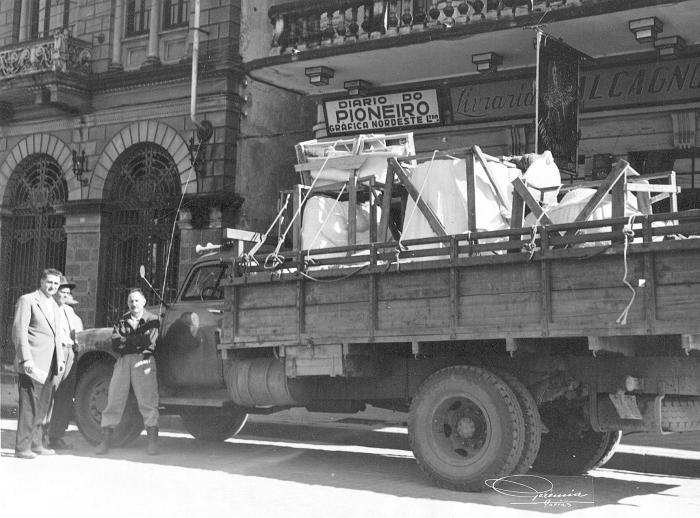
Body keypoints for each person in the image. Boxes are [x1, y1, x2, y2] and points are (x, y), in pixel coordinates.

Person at [97, 288, 160, 455]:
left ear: (144, 302)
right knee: (114, 398)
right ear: (128, 303)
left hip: (144, 359)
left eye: (137, 300)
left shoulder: (153, 320)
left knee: (147, 400)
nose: (134, 304)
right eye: (131, 301)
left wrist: (127, 340)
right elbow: (116, 344)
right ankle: (105, 441)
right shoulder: (122, 320)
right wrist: (136, 340)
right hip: (123, 361)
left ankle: (152, 442)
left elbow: (150, 342)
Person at [12, 268, 66, 459]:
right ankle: (22, 447)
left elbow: (57, 336)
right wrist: (25, 358)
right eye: (49, 282)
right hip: (32, 362)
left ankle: (36, 443)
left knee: (43, 405)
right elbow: (19, 331)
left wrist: (60, 360)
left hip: (50, 363)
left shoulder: (56, 306)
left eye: (56, 284)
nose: (52, 286)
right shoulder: (28, 300)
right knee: (29, 405)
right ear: (42, 281)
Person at [46, 277, 84, 450]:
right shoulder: (47, 308)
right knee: (49, 394)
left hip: (70, 353)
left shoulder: (70, 311)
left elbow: (78, 331)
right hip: (55, 352)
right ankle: (39, 435)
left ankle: (56, 436)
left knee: (65, 395)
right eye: (63, 291)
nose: (66, 295)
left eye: (68, 292)